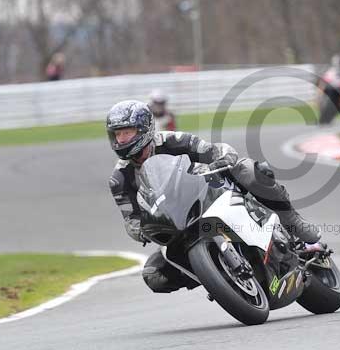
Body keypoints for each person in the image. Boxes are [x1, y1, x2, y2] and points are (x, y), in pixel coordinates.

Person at [106, 100, 323, 293]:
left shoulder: (172, 141)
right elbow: (131, 220)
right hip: (174, 223)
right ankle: (216, 274)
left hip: (204, 192)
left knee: (247, 170)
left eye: (127, 132)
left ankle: (293, 223)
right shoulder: (119, 180)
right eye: (118, 134)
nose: (122, 139)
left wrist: (223, 158)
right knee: (153, 275)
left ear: (144, 129)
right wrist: (142, 229)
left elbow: (212, 150)